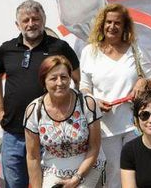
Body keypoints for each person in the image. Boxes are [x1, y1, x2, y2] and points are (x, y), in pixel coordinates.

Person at [0, 0, 79, 188]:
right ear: (18, 24)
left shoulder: (59, 47)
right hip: (14, 133)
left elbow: (78, 79)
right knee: (14, 185)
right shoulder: (7, 49)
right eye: (26, 20)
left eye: (36, 19)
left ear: (44, 19)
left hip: (50, 134)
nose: (31, 24)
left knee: (49, 185)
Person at [79, 4, 151, 186]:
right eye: (108, 22)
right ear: (101, 24)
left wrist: (143, 82)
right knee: (113, 177)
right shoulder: (89, 52)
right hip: (105, 128)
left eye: (117, 23)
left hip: (135, 125)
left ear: (124, 27)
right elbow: (84, 87)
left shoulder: (135, 49)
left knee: (139, 173)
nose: (112, 27)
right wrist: (94, 102)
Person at [24, 55, 102, 188]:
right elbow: (33, 157)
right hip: (53, 170)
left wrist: (76, 178)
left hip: (88, 165)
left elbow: (94, 147)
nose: (60, 83)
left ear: (70, 78)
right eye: (53, 78)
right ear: (44, 81)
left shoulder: (87, 103)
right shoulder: (33, 110)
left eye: (64, 77)